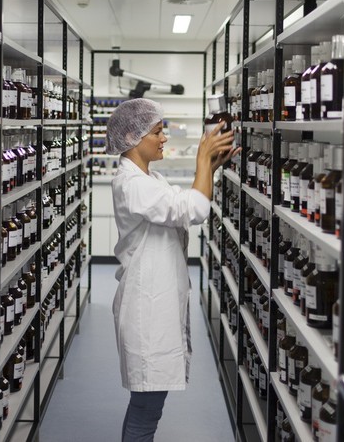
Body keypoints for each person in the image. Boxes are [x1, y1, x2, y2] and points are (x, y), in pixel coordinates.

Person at [106, 98, 239, 442]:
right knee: (145, 409)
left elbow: (185, 201)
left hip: (156, 302)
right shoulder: (131, 184)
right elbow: (191, 210)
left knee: (148, 405)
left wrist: (211, 166)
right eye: (157, 131)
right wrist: (201, 159)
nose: (163, 138)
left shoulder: (150, 177)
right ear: (134, 137)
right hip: (146, 308)